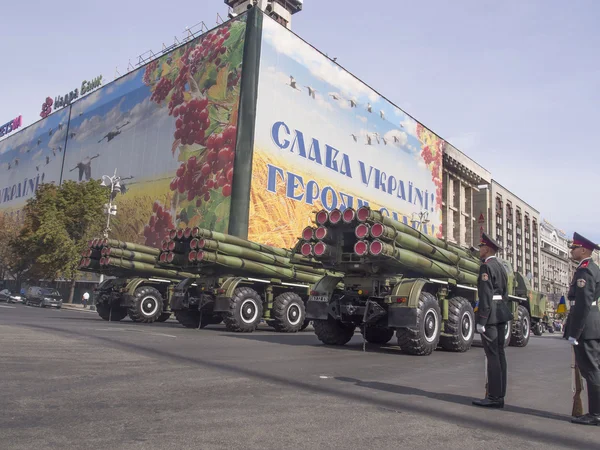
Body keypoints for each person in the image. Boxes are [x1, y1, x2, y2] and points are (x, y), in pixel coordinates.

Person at [472, 232, 513, 408]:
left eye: (481, 247)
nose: (479, 249)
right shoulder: (501, 266)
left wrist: (481, 320)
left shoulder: (486, 267)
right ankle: (500, 394)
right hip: (501, 312)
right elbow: (504, 293)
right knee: (500, 354)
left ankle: (494, 397)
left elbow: (486, 295)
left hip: (490, 315)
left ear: (487, 248)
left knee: (492, 355)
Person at [563, 232, 600, 425]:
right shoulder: (594, 268)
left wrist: (575, 332)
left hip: (586, 326)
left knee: (591, 370)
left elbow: (583, 303)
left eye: (574, 248)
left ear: (583, 250)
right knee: (594, 369)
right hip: (593, 324)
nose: (572, 251)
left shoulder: (584, 270)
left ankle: (595, 414)